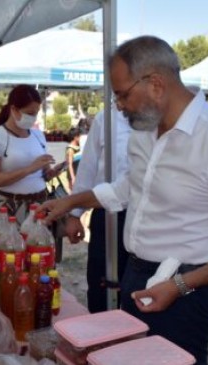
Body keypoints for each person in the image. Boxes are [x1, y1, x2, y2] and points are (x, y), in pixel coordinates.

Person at [40, 36, 208, 364]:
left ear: (155, 84)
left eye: (122, 95)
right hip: (135, 273)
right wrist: (72, 202)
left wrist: (180, 285)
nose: (119, 106)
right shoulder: (144, 131)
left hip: (186, 291)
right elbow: (130, 187)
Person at [64, 107, 132, 313]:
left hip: (145, 219)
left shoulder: (160, 117)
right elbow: (88, 167)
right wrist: (75, 214)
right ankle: (101, 337)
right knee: (101, 285)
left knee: (136, 289)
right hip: (106, 214)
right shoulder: (106, 118)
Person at [0, 84, 62, 222]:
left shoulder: (38, 135)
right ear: (14, 109)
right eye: (29, 113)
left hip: (40, 203)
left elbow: (42, 174)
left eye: (36, 113)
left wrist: (49, 173)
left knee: (41, 243)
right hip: (9, 206)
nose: (34, 118)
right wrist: (30, 169)